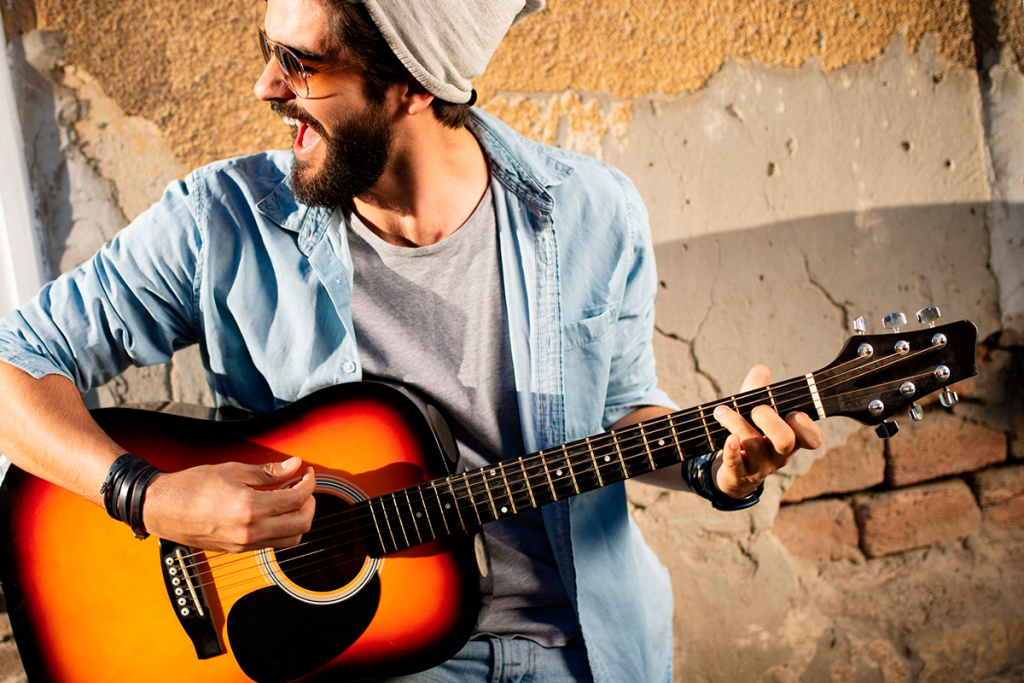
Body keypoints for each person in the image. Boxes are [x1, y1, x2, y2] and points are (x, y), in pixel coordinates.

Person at [0, 0, 823, 681]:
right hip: (363, 663)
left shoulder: (593, 213)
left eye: (301, 63)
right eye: (268, 51)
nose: (264, 86)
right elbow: (12, 360)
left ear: (410, 86)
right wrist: (146, 493)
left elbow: (617, 412)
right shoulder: (221, 223)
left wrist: (717, 463)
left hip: (591, 649)